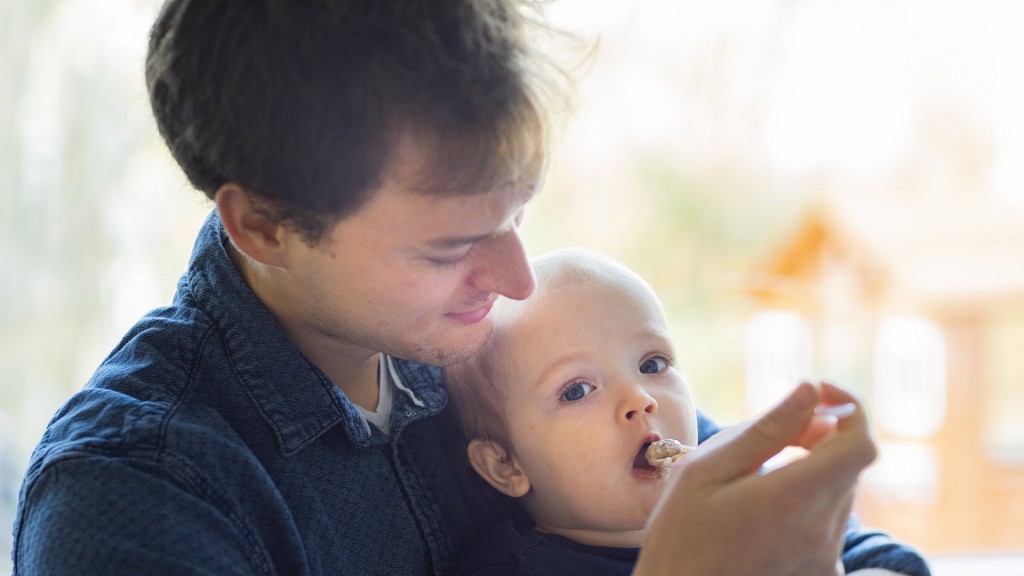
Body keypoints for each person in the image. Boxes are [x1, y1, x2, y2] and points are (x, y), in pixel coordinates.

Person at [10, 1, 925, 575]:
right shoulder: (133, 495)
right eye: (452, 246)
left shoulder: (484, 341)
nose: (516, 278)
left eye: (519, 214)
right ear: (263, 226)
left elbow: (782, 528)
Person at [445, 248, 931, 576]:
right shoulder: (514, 568)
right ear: (505, 465)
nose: (640, 399)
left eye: (652, 364)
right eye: (577, 391)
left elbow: (873, 553)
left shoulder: (736, 497)